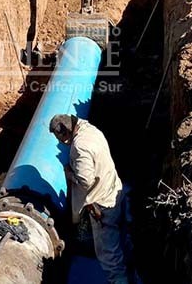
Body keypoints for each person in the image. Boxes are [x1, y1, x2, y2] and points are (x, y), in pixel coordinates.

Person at [50, 114, 129, 284]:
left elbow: (86, 181)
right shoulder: (91, 130)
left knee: (109, 255)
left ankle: (120, 281)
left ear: (65, 133)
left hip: (102, 205)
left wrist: (70, 174)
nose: (61, 142)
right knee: (119, 236)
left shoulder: (79, 147)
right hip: (114, 188)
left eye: (59, 137)